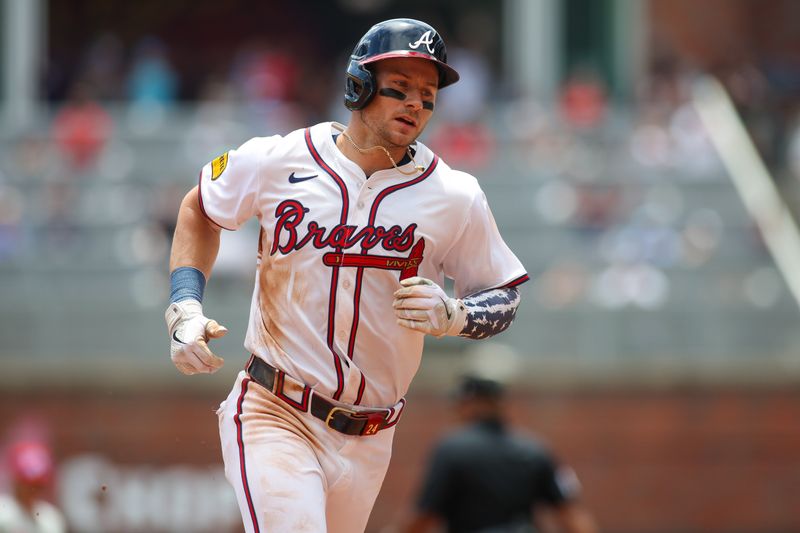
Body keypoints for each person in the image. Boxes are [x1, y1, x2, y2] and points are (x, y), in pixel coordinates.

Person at [165, 18, 529, 533]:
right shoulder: (279, 158)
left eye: (427, 95)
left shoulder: (453, 194)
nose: (415, 105)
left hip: (371, 436)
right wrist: (185, 306)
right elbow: (200, 208)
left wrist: (457, 314)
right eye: (400, 88)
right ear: (358, 84)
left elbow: (505, 295)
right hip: (277, 409)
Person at [404, 376, 597, 533]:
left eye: (460, 403)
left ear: (472, 403)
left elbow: (423, 516)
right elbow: (573, 516)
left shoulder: (452, 449)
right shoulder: (535, 449)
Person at [0, 441, 67, 533]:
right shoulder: (3, 511)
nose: (31, 490)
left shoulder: (51, 518)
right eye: (26, 483)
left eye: (37, 485)